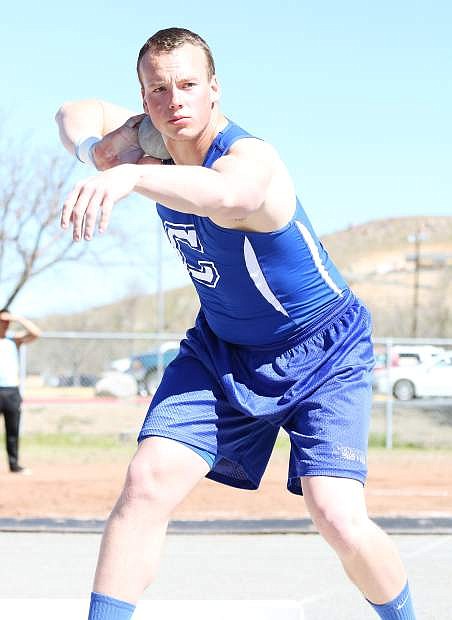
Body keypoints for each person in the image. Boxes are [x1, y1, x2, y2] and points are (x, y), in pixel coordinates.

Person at [55, 27, 416, 620]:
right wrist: (98, 149)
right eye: (159, 88)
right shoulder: (154, 137)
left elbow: (232, 195)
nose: (175, 100)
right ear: (144, 98)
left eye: (189, 85)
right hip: (221, 347)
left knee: (337, 514)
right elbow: (72, 111)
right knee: (147, 480)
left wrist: (128, 175)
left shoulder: (251, 157)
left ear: (215, 89)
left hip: (321, 347)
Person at [0, 309, 41, 473]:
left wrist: (17, 318)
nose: (6, 324)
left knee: (12, 430)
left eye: (7, 321)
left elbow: (36, 333)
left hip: (11, 392)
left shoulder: (13, 340)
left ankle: (14, 465)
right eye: (3, 321)